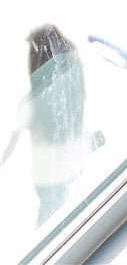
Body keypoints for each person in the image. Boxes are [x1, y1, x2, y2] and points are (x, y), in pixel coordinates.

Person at [1, 26, 87, 228]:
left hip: (46, 177)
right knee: (63, 214)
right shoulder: (74, 91)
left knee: (47, 221)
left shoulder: (32, 103)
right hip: (71, 168)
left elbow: (12, 139)